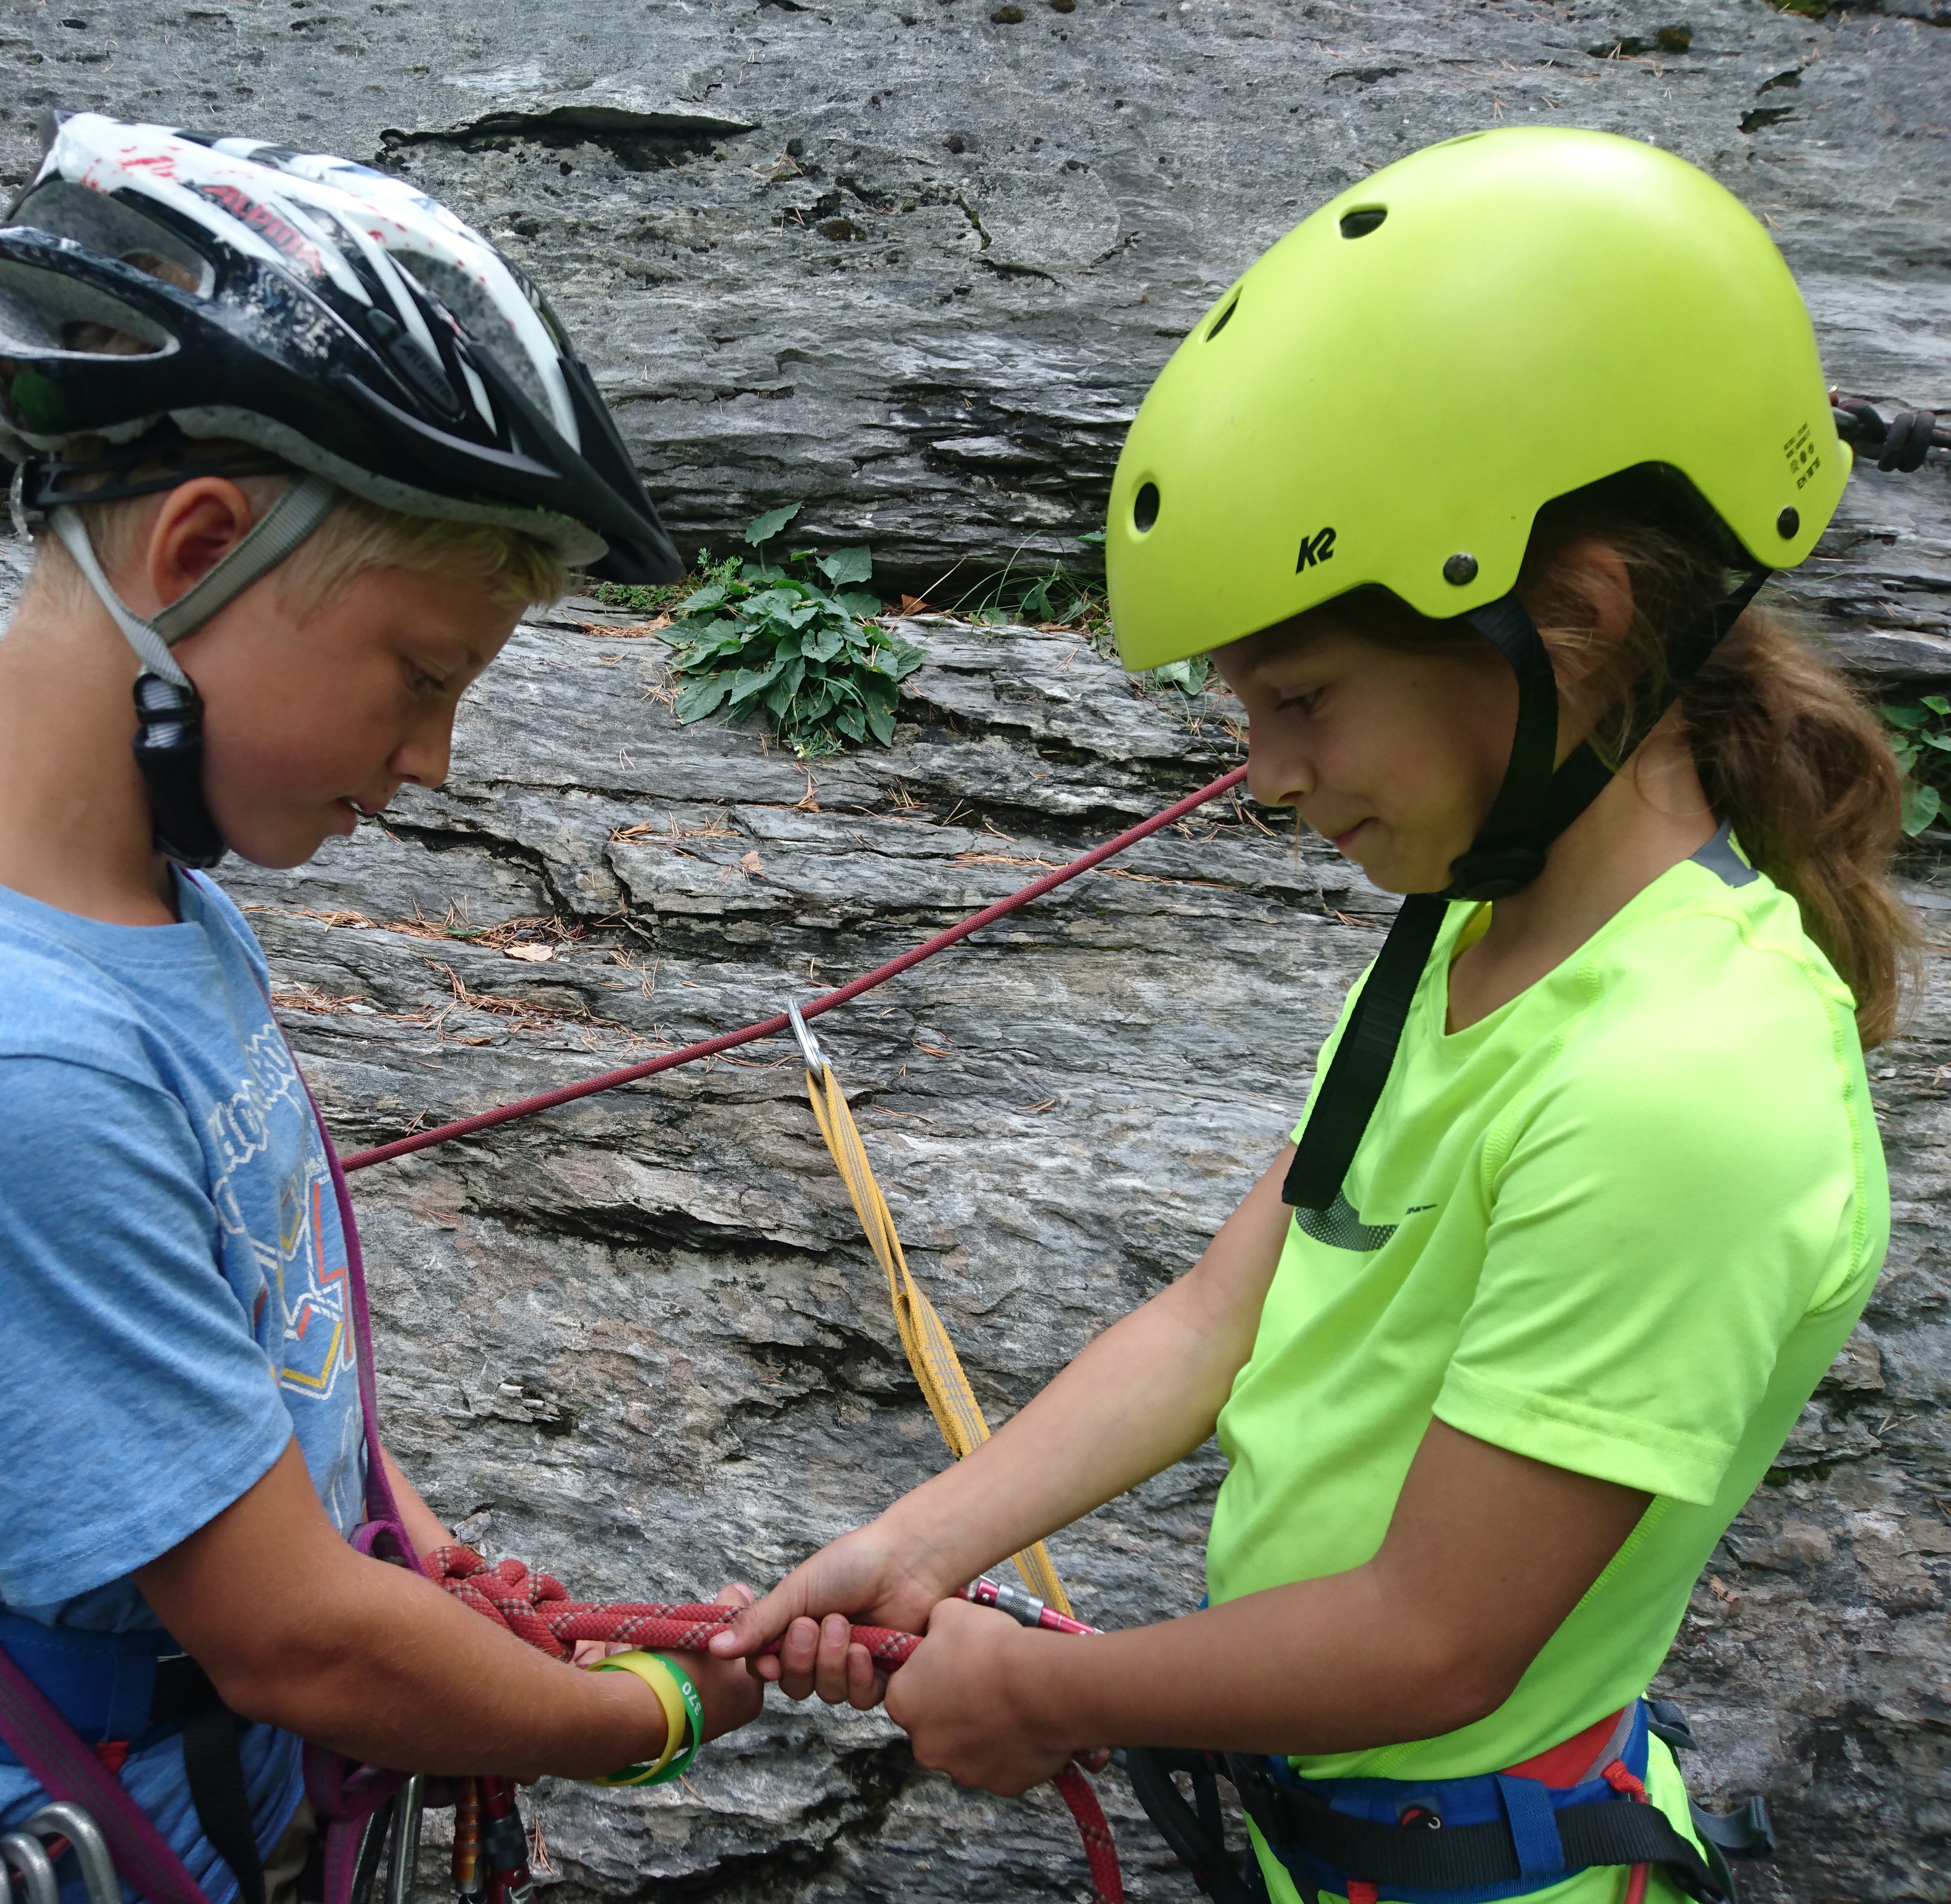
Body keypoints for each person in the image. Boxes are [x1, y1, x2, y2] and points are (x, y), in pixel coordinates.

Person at [714, 126, 1906, 1904]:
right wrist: (913, 1542)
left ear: (1571, 616)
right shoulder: (1466, 928)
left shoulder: (1686, 1084)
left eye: (1304, 698)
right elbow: (1222, 1319)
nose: (1264, 776)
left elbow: (1435, 1641)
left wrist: (1047, 1691)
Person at [0, 113, 762, 1904]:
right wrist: (657, 1714)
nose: (437, 759)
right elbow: (302, 1649)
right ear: (195, 546)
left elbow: (273, 1375)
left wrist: (413, 1553)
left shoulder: (152, 914)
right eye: (423, 672)